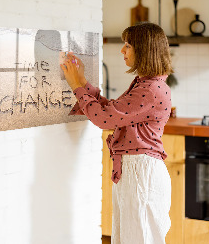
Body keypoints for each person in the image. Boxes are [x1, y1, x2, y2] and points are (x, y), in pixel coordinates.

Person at [60, 22, 173, 244]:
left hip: (141, 173)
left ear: (144, 49)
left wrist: (76, 86)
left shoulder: (150, 89)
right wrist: (82, 81)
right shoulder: (146, 84)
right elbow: (112, 111)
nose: (122, 50)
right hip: (136, 171)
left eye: (128, 45)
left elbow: (104, 119)